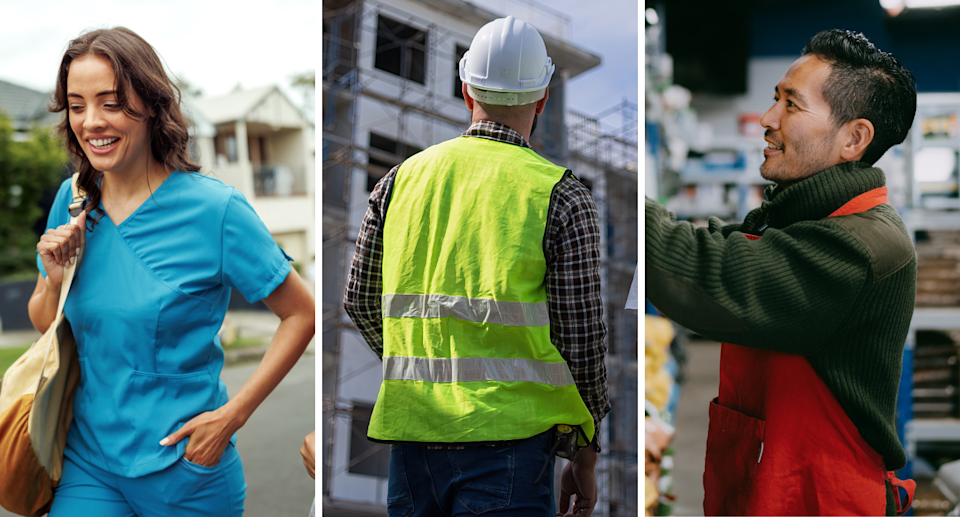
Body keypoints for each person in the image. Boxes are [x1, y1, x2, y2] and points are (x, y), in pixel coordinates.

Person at [29, 27, 315, 516]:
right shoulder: (72, 199)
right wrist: (56, 278)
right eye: (77, 105)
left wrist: (231, 416)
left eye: (111, 102)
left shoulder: (215, 210)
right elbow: (44, 323)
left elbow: (302, 314)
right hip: (89, 459)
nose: (91, 121)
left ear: (151, 104)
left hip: (187, 468)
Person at [343, 15, 609, 517]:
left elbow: (359, 299)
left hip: (413, 438)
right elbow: (583, 339)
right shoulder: (563, 194)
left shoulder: (398, 182)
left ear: (466, 91)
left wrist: (418, 366)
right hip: (512, 444)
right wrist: (585, 452)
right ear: (543, 97)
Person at [646, 29, 917, 516]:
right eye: (775, 100)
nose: (768, 120)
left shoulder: (864, 243)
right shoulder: (797, 221)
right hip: (771, 484)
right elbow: (720, 244)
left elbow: (713, 274)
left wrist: (610, 197)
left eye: (791, 105)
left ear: (854, 138)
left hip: (822, 498)